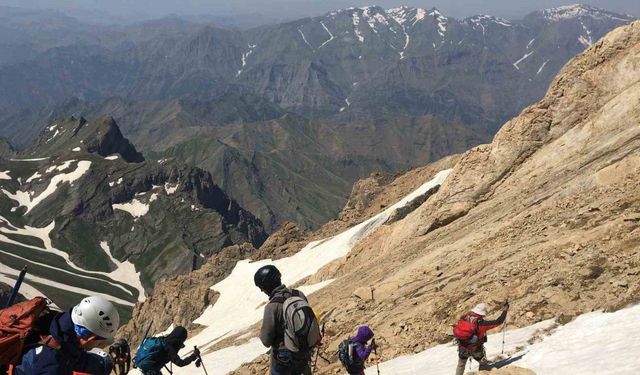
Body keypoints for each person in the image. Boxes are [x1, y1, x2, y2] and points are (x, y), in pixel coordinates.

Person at [14, 295, 120, 375]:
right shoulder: (54, 366)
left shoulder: (57, 327)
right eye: (101, 340)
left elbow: (74, 357)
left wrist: (103, 364)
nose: (103, 343)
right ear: (90, 337)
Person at [254, 265, 312, 375]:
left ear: (266, 285)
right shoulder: (299, 294)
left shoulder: (272, 306)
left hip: (284, 357)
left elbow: (266, 341)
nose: (262, 290)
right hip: (304, 349)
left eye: (261, 287)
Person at [455, 302, 509, 375]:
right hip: (475, 349)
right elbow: (499, 321)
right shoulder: (481, 324)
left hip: (462, 347)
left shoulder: (464, 318)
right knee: (483, 363)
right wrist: (505, 310)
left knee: (461, 365)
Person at [135, 326, 200, 375]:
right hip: (152, 371)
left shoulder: (163, 339)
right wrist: (193, 356)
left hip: (147, 369)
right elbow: (180, 363)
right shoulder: (169, 348)